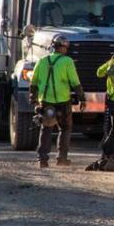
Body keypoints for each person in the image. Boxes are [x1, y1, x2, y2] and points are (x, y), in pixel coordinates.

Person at [30, 34, 85, 168]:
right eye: (66, 47)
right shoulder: (67, 61)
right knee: (65, 129)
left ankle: (42, 160)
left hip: (46, 102)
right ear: (62, 47)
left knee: (46, 129)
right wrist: (82, 99)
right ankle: (61, 158)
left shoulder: (41, 61)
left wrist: (34, 99)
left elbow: (34, 83)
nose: (66, 50)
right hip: (63, 102)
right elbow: (75, 82)